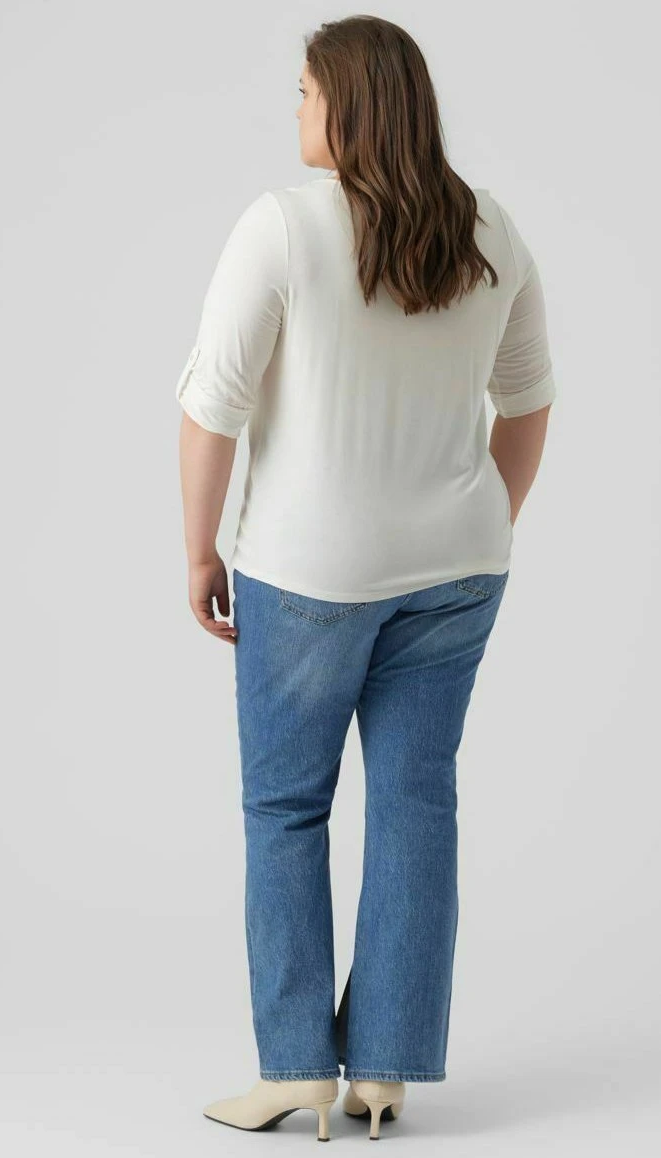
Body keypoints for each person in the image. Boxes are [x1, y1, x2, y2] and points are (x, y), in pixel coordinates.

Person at [175, 15, 556, 1142]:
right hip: (459, 572)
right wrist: (478, 517)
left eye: (304, 91)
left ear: (347, 105)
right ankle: (384, 1073)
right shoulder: (489, 226)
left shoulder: (283, 226)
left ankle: (296, 1071)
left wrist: (198, 551)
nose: (294, 109)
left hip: (310, 571)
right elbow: (529, 400)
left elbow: (210, 409)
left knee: (286, 807)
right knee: (415, 800)